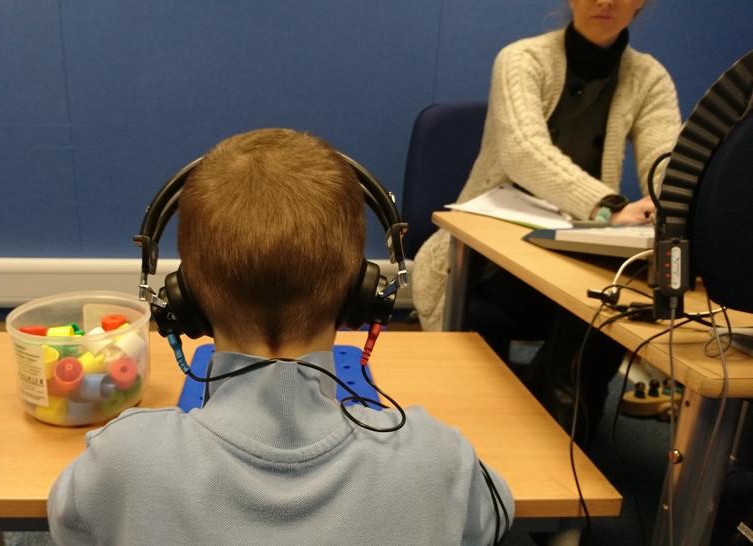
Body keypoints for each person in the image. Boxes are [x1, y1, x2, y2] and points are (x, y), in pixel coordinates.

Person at [47, 128, 513, 544]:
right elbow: (495, 517)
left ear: (185, 301)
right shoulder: (438, 458)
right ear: (361, 296)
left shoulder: (123, 459)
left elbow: (70, 523)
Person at [410, 0, 681, 443]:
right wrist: (609, 207)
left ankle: (558, 434)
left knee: (612, 300)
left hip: (581, 247)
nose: (605, 1)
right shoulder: (521, 59)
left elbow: (665, 162)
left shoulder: (649, 77)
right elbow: (523, 153)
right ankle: (553, 428)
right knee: (590, 303)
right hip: (492, 251)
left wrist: (671, 198)